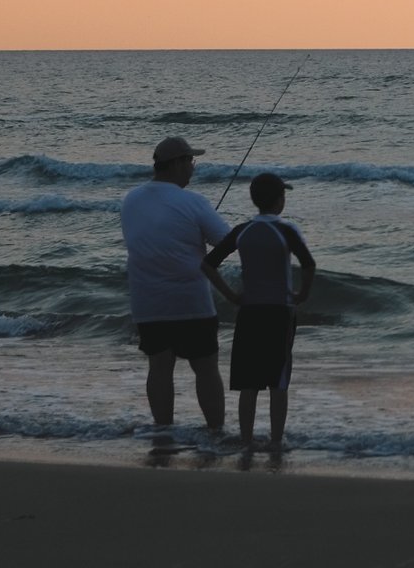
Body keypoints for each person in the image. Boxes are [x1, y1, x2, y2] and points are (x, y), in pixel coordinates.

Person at [119, 134, 231, 439]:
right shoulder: (193, 202)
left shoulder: (131, 200)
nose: (193, 168)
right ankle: (215, 433)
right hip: (190, 301)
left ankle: (163, 431)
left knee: (159, 368)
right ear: (178, 164)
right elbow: (226, 240)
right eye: (191, 161)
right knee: (206, 369)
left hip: (147, 302)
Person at [204, 172, 317, 452]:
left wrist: (231, 295)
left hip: (249, 313)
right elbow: (308, 264)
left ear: (255, 200)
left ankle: (245, 441)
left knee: (249, 382)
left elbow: (208, 264)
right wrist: (301, 294)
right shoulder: (287, 230)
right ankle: (277, 441)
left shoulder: (243, 230)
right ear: (280, 200)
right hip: (280, 312)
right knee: (278, 382)